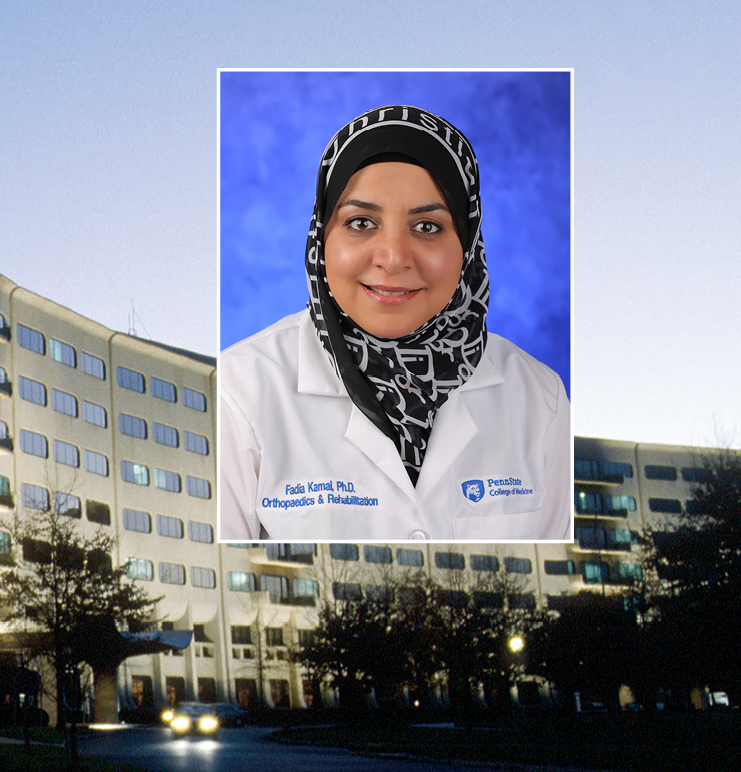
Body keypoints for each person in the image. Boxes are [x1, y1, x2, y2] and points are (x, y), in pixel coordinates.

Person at [218, 104, 571, 542]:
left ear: (467, 242)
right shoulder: (241, 389)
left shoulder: (541, 399)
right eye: (361, 222)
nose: (393, 258)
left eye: (427, 226)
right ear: (321, 237)